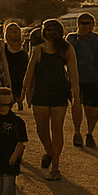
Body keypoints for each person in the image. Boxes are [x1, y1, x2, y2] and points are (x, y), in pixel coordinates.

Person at [23, 18, 78, 182]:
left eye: (54, 29)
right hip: (40, 93)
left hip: (59, 93)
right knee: (41, 129)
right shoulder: (38, 49)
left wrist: (76, 95)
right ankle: (50, 152)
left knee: (57, 129)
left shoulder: (66, 48)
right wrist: (25, 91)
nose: (51, 32)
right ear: (43, 32)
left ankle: (55, 166)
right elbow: (30, 72)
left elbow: (74, 73)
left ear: (60, 32)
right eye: (48, 29)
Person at [66, 13, 98, 148]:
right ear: (77, 24)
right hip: (75, 80)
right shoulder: (71, 39)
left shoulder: (97, 39)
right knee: (76, 105)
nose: (84, 26)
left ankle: (90, 133)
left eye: (87, 23)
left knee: (93, 109)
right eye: (81, 23)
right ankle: (77, 132)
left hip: (92, 79)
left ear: (92, 25)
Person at [2, 22, 30, 110]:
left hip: (19, 79)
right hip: (7, 78)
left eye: (16, 30)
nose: (14, 32)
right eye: (10, 30)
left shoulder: (23, 54)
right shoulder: (3, 49)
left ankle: (19, 101)